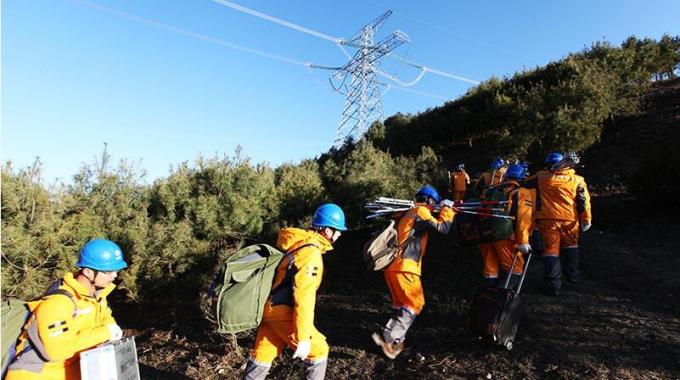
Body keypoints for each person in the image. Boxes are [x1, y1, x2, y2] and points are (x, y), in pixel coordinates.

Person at [243, 203, 347, 380]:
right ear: (327, 231)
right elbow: (304, 297)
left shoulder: (297, 244)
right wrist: (303, 337)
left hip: (269, 307)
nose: (339, 235)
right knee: (319, 351)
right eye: (338, 230)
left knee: (263, 354)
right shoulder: (310, 254)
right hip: (281, 311)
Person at [6, 239, 128, 380]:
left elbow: (108, 324)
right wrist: (105, 332)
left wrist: (109, 331)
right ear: (88, 272)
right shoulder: (58, 303)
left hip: (70, 373)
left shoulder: (97, 300)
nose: (114, 276)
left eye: (116, 271)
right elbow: (57, 350)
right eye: (108, 271)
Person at [371, 185, 455, 359]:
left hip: (393, 268)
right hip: (406, 268)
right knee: (415, 303)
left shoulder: (407, 214)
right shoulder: (420, 211)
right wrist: (448, 210)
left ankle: (394, 340)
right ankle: (388, 338)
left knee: (401, 305)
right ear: (430, 200)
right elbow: (442, 228)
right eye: (435, 203)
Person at [522, 152, 592, 296]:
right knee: (571, 247)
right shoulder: (578, 180)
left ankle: (552, 285)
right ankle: (572, 276)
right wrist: (586, 219)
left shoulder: (540, 177)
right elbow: (584, 202)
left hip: (548, 220)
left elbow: (522, 184)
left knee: (551, 251)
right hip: (570, 221)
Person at [477, 164, 535, 289]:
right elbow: (522, 218)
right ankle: (502, 301)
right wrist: (523, 241)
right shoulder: (521, 192)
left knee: (490, 270)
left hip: (485, 234)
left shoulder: (492, 191)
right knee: (515, 268)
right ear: (522, 178)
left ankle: (486, 297)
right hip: (504, 236)